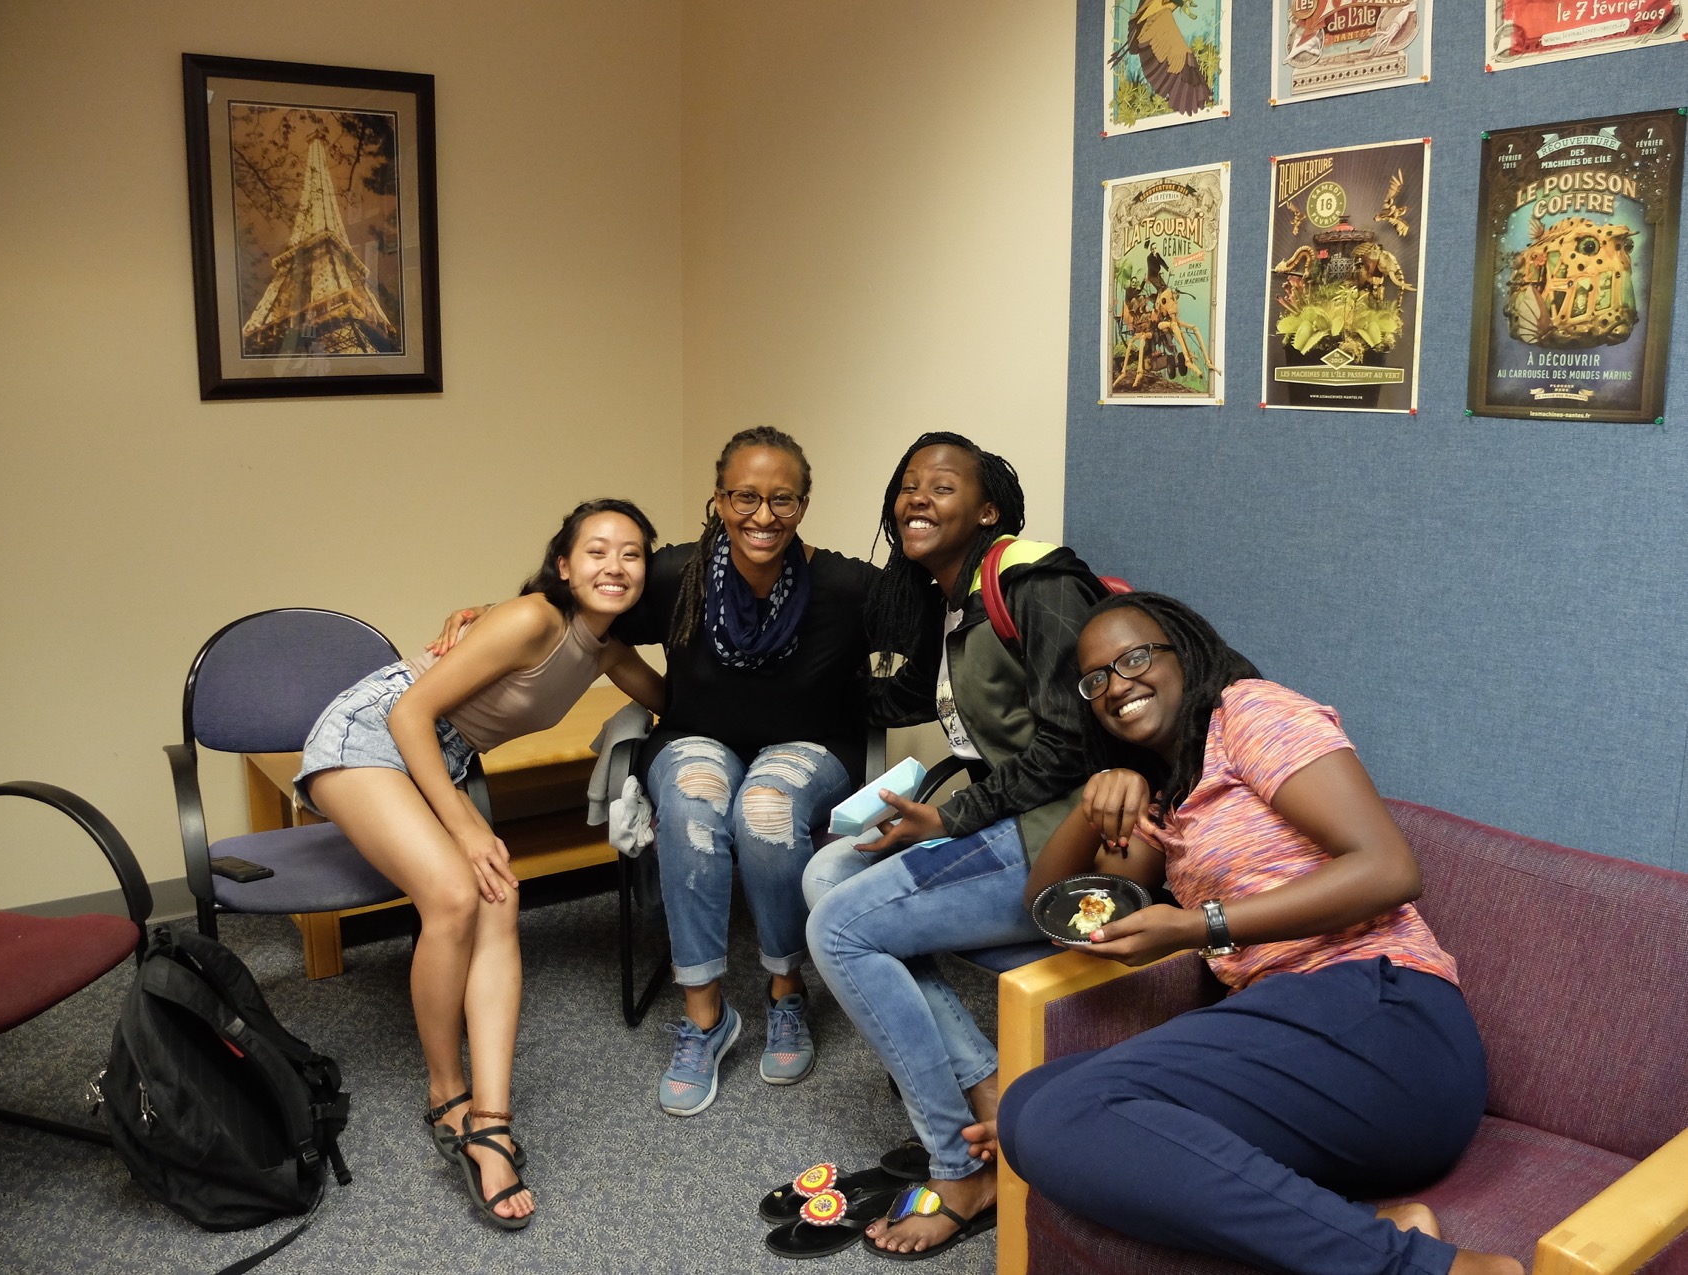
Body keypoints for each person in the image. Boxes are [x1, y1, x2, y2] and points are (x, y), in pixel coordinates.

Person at [992, 591, 1522, 1275]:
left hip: (1386, 1019)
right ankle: (1366, 1230)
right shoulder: (1167, 796)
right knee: (1028, 1106)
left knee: (1063, 1112)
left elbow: (1389, 867)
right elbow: (1052, 908)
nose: (1116, 685)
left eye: (1134, 658)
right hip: (1302, 1049)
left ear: (1184, 652)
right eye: (1095, 680)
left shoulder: (1249, 712)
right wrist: (1094, 799)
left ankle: (1440, 1271)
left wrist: (1198, 925)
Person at [803, 432, 1131, 1259]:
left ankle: (959, 1165)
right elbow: (901, 700)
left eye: (941, 486)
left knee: (839, 929)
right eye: (908, 485)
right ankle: (990, 1092)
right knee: (827, 872)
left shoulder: (1035, 582)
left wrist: (949, 817)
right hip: (1002, 819)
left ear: (987, 510)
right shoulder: (948, 599)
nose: (917, 497)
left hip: (1062, 839)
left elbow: (1072, 744)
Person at [294, 499, 665, 1231]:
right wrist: (465, 825)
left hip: (443, 752)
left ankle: (491, 1121)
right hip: (373, 732)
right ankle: (447, 1094)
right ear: (564, 565)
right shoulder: (532, 618)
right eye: (596, 551)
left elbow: (682, 702)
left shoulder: (609, 650)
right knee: (455, 896)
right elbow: (408, 714)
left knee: (499, 895)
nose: (615, 566)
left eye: (632, 554)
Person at [610, 426, 876, 1116]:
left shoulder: (844, 585)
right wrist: (489, 615)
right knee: (693, 804)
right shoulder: (676, 574)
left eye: (782, 499)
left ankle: (787, 989)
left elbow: (932, 611)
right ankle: (705, 1015)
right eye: (745, 497)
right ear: (720, 500)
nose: (764, 515)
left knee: (764, 808)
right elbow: (586, 609)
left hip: (812, 742)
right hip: (697, 736)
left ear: (804, 504)